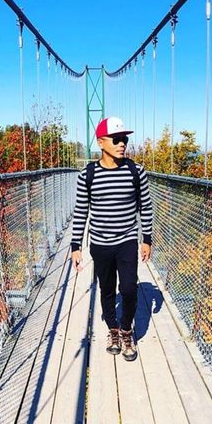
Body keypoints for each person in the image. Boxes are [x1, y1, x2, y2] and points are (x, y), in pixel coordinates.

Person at [70, 116, 154, 361]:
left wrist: (146, 239)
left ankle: (127, 330)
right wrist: (76, 246)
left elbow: (146, 207)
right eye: (116, 139)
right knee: (106, 290)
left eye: (125, 139)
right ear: (101, 142)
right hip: (100, 243)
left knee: (128, 289)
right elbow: (80, 211)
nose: (122, 144)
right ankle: (113, 331)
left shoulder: (136, 171)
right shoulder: (88, 174)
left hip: (127, 240)